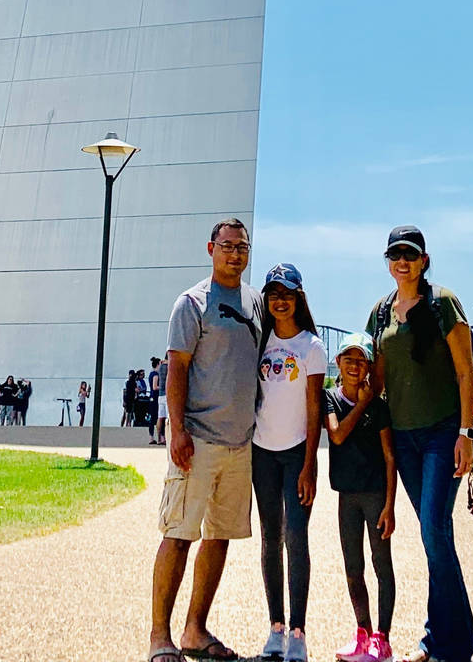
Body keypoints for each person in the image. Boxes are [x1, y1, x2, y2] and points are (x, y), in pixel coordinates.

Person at [150, 217, 263, 662]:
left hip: (239, 446)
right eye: (227, 246)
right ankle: (161, 637)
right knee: (179, 536)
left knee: (219, 538)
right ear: (211, 248)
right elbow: (175, 368)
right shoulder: (192, 303)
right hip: (197, 440)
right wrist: (177, 430)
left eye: (242, 247)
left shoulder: (256, 303)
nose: (235, 254)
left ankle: (195, 630)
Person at [366, 224, 473, 662]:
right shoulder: (379, 312)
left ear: (424, 260)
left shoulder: (443, 302)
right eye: (395, 255)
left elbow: (466, 371)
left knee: (434, 529)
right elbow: (374, 375)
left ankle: (452, 646)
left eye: (410, 254)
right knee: (435, 535)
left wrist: (467, 434)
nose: (402, 261)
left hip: (441, 432)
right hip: (404, 437)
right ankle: (438, 641)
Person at [252, 263, 327, 662]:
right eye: (274, 294)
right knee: (270, 538)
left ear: (299, 298)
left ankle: (298, 630)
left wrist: (310, 463)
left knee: (296, 537)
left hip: (297, 451)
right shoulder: (260, 342)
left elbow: (314, 408)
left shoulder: (311, 347)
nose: (280, 301)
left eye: (288, 293)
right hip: (262, 451)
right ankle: (276, 627)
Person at [325, 333, 396, 662]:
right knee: (353, 567)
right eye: (348, 359)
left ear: (368, 367)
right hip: (347, 496)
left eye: (361, 360)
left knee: (382, 564)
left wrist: (390, 506)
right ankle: (362, 633)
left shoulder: (379, 407)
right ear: (338, 363)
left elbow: (389, 457)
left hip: (375, 495)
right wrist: (363, 403)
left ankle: (383, 638)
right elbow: (337, 435)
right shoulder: (331, 400)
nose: (354, 365)